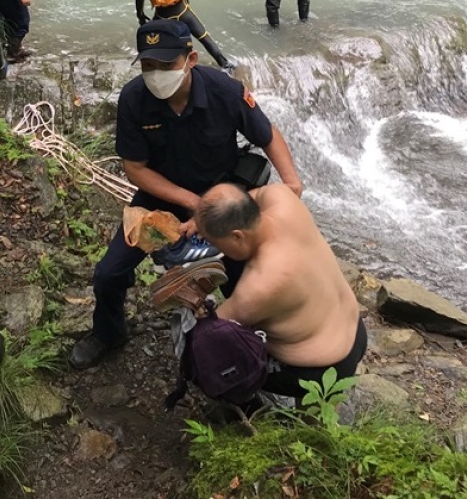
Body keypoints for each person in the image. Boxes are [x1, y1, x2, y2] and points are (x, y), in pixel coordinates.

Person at [69, 18, 303, 370]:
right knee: (110, 272)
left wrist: (291, 182)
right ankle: (108, 333)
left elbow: (266, 133)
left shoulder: (224, 90)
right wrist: (192, 204)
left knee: (243, 268)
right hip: (160, 200)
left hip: (222, 194)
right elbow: (135, 169)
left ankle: (251, 342)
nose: (157, 73)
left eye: (167, 65)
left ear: (190, 60)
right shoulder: (134, 100)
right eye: (149, 65)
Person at [195, 182, 366, 401]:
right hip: (354, 330)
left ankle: (246, 409)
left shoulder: (260, 285)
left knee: (211, 358)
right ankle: (317, 423)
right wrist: (201, 221)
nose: (216, 249)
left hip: (318, 370)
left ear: (237, 236)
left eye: (214, 242)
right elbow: (253, 195)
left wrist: (193, 300)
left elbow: (212, 331)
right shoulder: (282, 199)